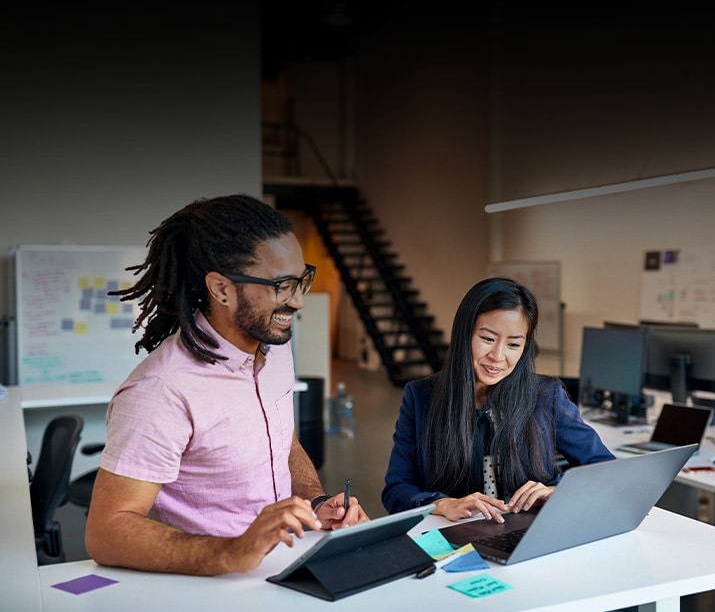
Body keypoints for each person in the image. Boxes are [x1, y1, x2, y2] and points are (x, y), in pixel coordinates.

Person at [85, 194, 369, 576]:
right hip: (207, 587)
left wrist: (315, 500)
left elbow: (285, 442)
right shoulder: (161, 390)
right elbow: (107, 532)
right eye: (282, 285)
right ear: (221, 289)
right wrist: (231, 552)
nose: (299, 301)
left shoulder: (275, 349)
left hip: (286, 566)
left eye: (301, 279)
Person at [382, 277, 614, 521]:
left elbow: (606, 469)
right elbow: (396, 490)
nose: (498, 356)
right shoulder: (420, 396)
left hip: (533, 530)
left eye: (514, 344)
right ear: (464, 334)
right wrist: (442, 504)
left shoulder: (546, 396)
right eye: (488, 339)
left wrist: (555, 492)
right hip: (455, 533)